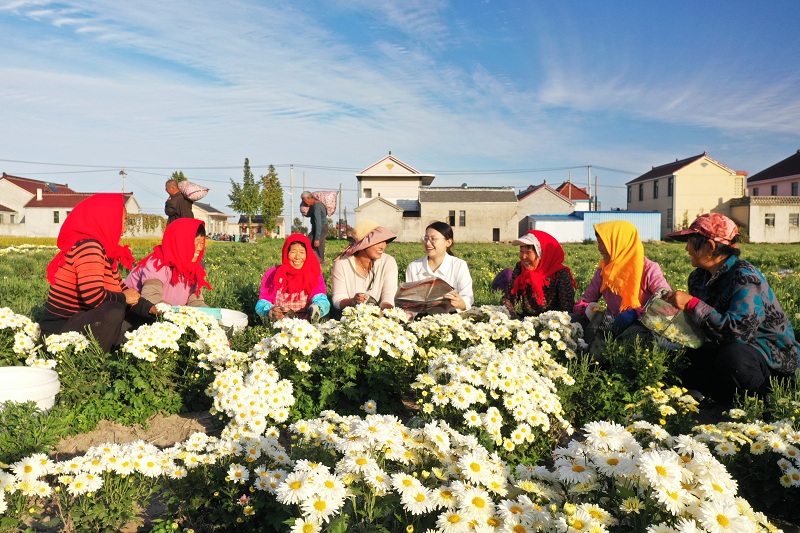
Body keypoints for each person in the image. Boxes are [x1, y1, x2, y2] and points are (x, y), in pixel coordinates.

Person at [663, 213, 800, 405]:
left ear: (710, 247)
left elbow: (738, 333)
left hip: (766, 358)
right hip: (723, 347)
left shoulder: (745, 277)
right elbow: (703, 325)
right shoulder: (698, 277)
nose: (687, 248)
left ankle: (767, 401)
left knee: (734, 358)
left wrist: (692, 304)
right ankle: (725, 400)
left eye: (691, 242)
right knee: (678, 358)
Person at [39, 193, 142, 352]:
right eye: (123, 222)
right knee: (115, 310)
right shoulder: (89, 247)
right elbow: (94, 297)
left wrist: (153, 308)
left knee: (135, 326)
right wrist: (125, 298)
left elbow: (122, 289)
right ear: (106, 220)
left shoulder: (104, 251)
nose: (124, 229)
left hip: (81, 321)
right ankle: (92, 365)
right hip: (59, 332)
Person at [574, 220, 671, 337]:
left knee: (636, 335)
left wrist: (637, 313)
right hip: (613, 326)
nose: (599, 248)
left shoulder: (648, 269)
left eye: (603, 243)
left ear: (620, 243)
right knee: (575, 321)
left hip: (645, 328)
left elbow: (667, 303)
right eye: (598, 243)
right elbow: (586, 300)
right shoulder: (605, 270)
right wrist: (588, 309)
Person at [124, 219, 212, 318]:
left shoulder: (194, 267)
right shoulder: (157, 264)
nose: (200, 248)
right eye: (196, 242)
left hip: (167, 316)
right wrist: (177, 316)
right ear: (181, 242)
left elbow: (195, 301)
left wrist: (210, 316)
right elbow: (152, 301)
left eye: (202, 243)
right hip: (136, 316)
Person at [501, 230, 576, 318]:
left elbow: (567, 309)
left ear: (542, 254)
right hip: (526, 323)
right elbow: (508, 298)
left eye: (528, 252)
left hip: (553, 323)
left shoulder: (560, 274)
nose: (524, 257)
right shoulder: (520, 269)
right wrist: (512, 317)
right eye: (521, 251)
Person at [255, 234, 330, 321]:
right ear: (286, 253)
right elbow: (261, 303)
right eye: (293, 252)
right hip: (280, 326)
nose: (297, 257)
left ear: (307, 254)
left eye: (302, 252)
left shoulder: (314, 274)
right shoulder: (273, 274)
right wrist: (270, 311)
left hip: (307, 326)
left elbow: (322, 299)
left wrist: (317, 308)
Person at [331, 220, 398, 313]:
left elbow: (389, 297)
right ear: (362, 246)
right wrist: (352, 301)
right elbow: (337, 299)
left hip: (380, 316)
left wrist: (382, 315)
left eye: (384, 241)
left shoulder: (388, 262)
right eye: (377, 241)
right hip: (349, 317)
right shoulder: (342, 264)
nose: (382, 246)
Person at [405, 221, 473, 312]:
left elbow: (468, 297)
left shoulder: (459, 265)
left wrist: (460, 303)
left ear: (448, 242)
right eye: (426, 238)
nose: (428, 243)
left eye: (433, 239)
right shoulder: (414, 267)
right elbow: (409, 301)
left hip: (452, 319)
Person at [301, 191, 328, 263]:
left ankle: (319, 263)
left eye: (305, 201)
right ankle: (320, 263)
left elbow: (318, 222)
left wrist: (317, 238)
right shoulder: (315, 205)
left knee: (308, 244)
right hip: (320, 228)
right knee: (319, 248)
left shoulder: (317, 207)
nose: (305, 203)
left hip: (320, 228)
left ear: (309, 198)